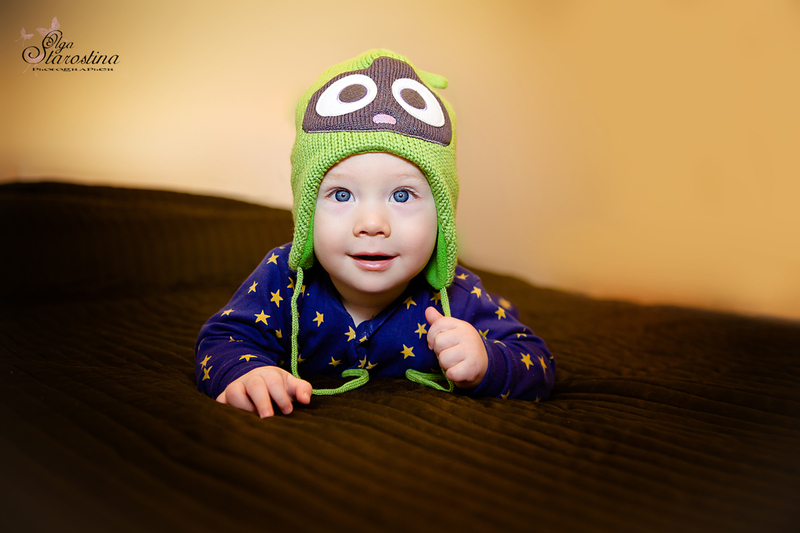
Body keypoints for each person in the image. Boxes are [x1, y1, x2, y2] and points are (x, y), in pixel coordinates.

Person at [195, 49, 555, 417]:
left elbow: (538, 363)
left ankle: (503, 306)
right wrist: (248, 372)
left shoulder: (456, 296)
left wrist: (486, 362)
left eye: (402, 195)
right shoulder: (282, 279)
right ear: (307, 213)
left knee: (500, 312)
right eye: (342, 194)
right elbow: (223, 338)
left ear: (442, 217)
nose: (371, 223)